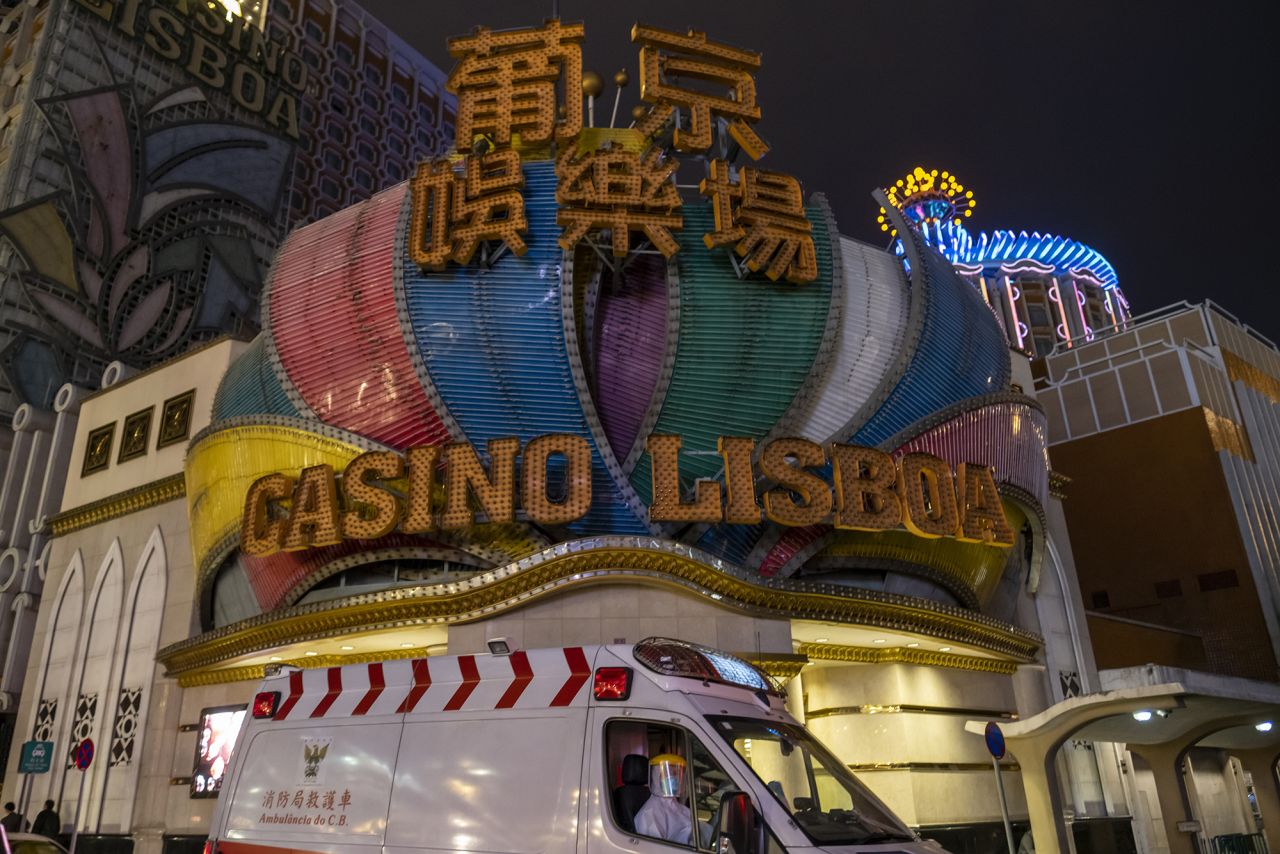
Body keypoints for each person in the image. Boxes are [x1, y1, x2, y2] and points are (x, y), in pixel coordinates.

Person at [634, 754, 692, 844]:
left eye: (676, 773)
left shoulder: (680, 807)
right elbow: (656, 849)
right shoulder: (649, 814)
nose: (674, 778)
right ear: (656, 777)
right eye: (667, 774)